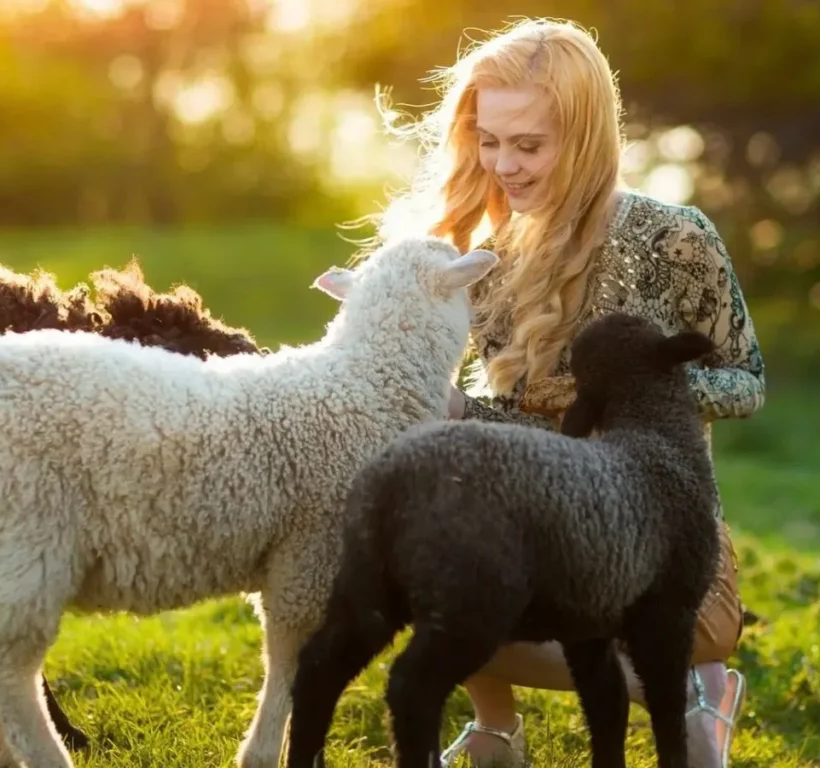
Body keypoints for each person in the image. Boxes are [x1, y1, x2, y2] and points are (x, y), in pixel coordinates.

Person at [354, 17, 766, 768]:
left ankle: (699, 688)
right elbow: (514, 424)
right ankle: (496, 729)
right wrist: (451, 411)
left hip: (658, 527)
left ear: (585, 137)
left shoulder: (675, 235)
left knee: (646, 625)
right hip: (537, 517)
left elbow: (749, 381)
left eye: (529, 144)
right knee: (423, 564)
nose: (502, 164)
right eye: (489, 139)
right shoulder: (484, 258)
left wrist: (641, 385)